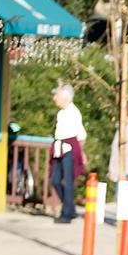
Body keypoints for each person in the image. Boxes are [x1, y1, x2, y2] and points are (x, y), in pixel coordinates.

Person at [49, 84, 87, 224]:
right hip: (59, 147)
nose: (54, 99)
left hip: (69, 148)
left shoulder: (73, 112)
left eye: (57, 96)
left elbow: (81, 135)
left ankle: (67, 213)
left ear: (64, 97)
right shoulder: (61, 113)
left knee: (68, 181)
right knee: (55, 179)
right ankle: (69, 207)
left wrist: (81, 152)